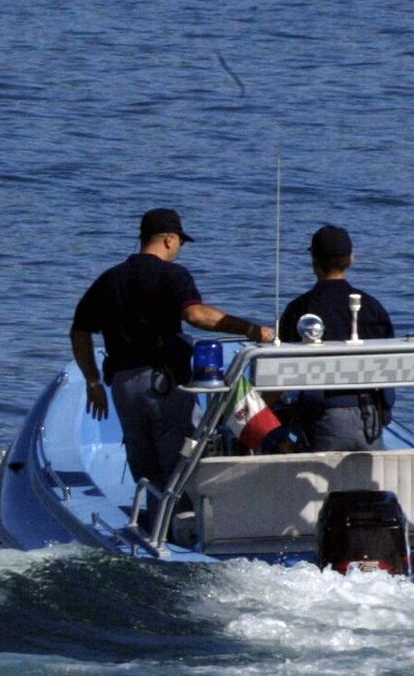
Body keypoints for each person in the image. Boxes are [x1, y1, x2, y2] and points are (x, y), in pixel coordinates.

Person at [70, 208, 276, 502]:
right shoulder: (173, 275)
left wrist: (93, 383)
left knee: (144, 467)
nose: (179, 248)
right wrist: (253, 330)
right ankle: (183, 529)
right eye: (180, 241)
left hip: (124, 387)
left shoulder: (109, 280)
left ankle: (155, 527)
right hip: (163, 387)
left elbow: (79, 331)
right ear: (169, 239)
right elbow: (195, 314)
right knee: (180, 466)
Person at [278, 224, 396, 450]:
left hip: (323, 420)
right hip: (370, 419)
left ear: (314, 260)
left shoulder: (299, 309)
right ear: (351, 259)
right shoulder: (373, 308)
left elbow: (281, 374)